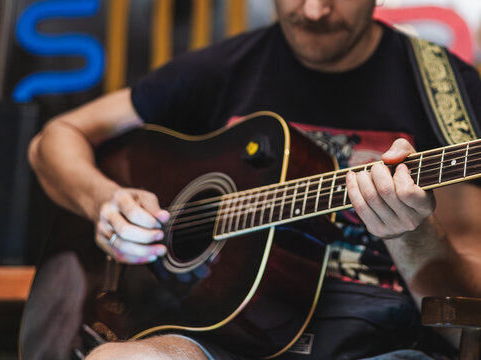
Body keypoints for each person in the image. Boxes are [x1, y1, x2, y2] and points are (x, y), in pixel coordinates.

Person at [28, 0, 481, 359]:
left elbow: (463, 304)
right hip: (221, 335)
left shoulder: (446, 91)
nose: (314, 10)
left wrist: (411, 234)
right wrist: (105, 202)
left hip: (377, 342)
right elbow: (53, 140)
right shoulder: (226, 67)